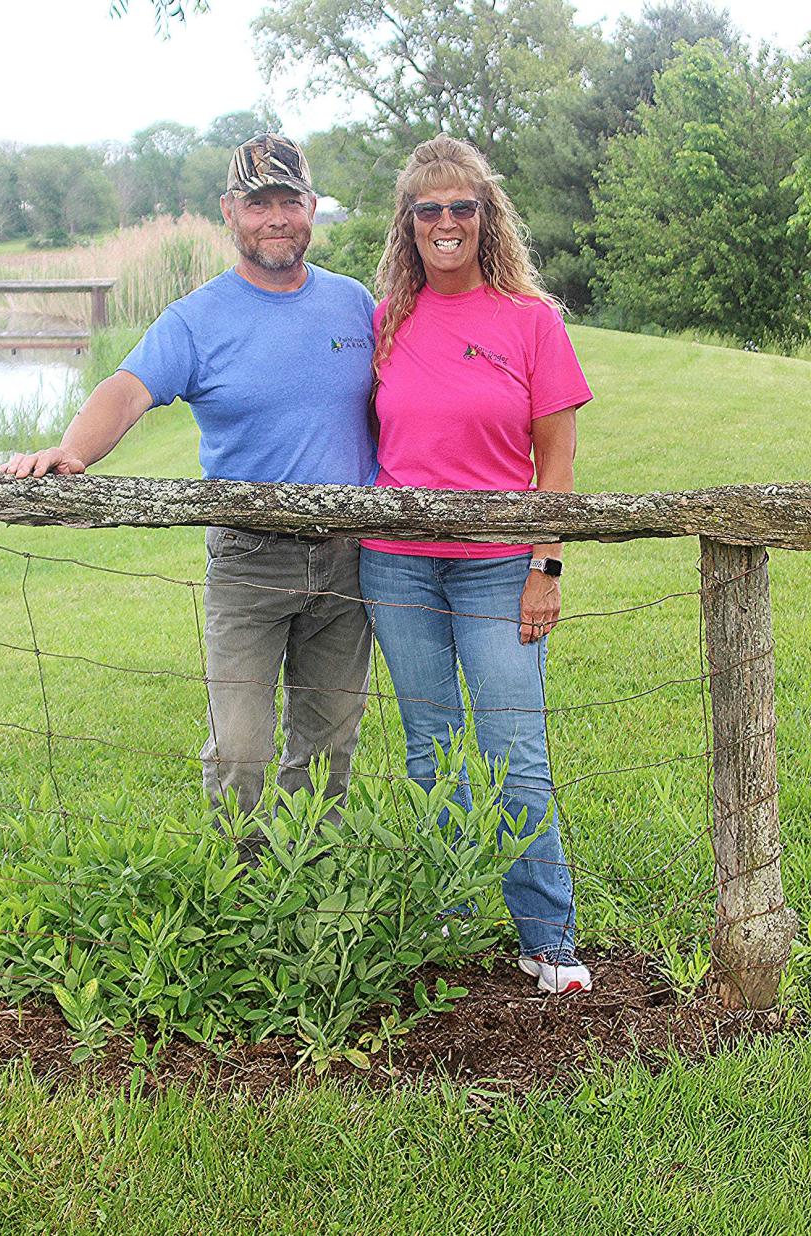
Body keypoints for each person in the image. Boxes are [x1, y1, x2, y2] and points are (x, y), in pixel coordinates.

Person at [1, 134, 377, 824]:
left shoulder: (355, 305)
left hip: (350, 559)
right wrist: (71, 450)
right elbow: (127, 389)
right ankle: (239, 885)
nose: (276, 219)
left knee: (328, 745)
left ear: (312, 208)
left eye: (288, 202)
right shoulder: (197, 319)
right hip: (248, 558)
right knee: (240, 747)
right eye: (258, 203)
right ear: (229, 214)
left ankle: (312, 886)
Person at [359, 135, 593, 995]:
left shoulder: (532, 322)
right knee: (432, 752)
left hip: (501, 570)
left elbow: (557, 465)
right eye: (430, 210)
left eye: (464, 207)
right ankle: (446, 919)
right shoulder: (385, 322)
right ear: (409, 225)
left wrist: (547, 567)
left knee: (515, 750)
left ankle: (547, 940)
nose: (447, 223)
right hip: (396, 569)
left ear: (486, 218)